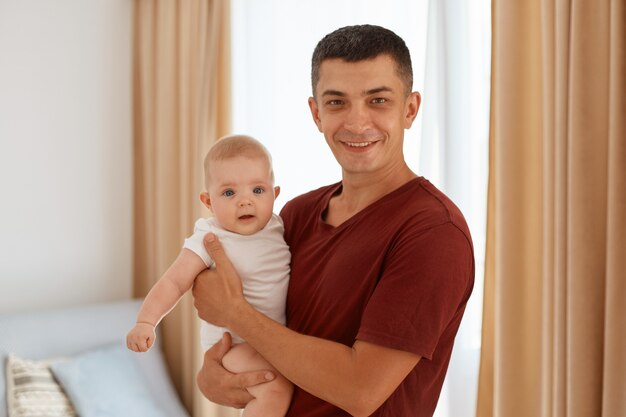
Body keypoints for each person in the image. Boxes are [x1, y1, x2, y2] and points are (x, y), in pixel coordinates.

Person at [192, 25, 475, 417]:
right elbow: (244, 349)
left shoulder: (434, 233)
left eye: (377, 100)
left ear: (409, 109)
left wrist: (235, 312)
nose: (357, 123)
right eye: (338, 102)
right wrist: (210, 376)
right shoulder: (294, 215)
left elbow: (361, 390)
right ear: (316, 113)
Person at [126, 135, 293, 417]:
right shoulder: (210, 236)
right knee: (274, 385)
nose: (245, 202)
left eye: (258, 190)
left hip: (270, 340)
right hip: (233, 346)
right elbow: (174, 281)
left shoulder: (278, 226)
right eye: (229, 193)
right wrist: (146, 321)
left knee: (279, 382)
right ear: (208, 201)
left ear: (275, 194)